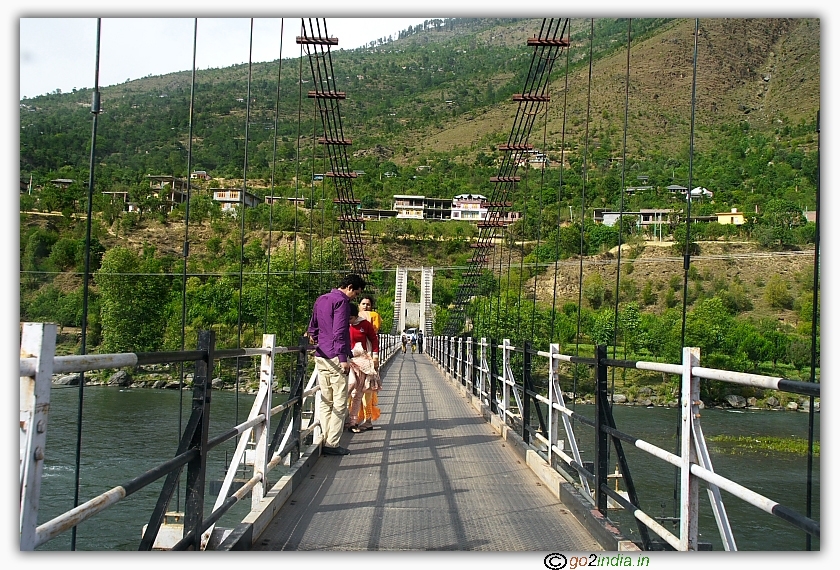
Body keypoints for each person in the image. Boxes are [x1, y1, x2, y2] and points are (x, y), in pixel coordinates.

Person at [306, 274, 366, 456]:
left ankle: (323, 438)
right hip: (335, 356)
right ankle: (332, 444)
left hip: (321, 355)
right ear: (349, 287)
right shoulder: (342, 303)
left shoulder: (321, 299)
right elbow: (340, 332)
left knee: (326, 400)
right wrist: (342, 358)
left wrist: (317, 340)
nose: (355, 297)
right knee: (339, 402)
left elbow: (312, 326)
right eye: (356, 293)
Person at [345, 303, 380, 433]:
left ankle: (353, 422)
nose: (348, 321)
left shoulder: (364, 324)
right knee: (351, 386)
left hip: (362, 361)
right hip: (347, 360)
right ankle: (342, 415)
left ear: (355, 316)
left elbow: (374, 340)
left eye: (350, 319)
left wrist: (375, 357)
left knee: (359, 392)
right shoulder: (342, 324)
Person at [357, 296, 382, 432]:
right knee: (353, 390)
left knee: (368, 389)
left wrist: (375, 358)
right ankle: (354, 418)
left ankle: (367, 420)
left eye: (368, 304)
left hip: (369, 358)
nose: (366, 306)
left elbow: (374, 334)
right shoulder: (352, 320)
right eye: (363, 304)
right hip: (354, 359)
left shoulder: (373, 317)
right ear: (358, 305)